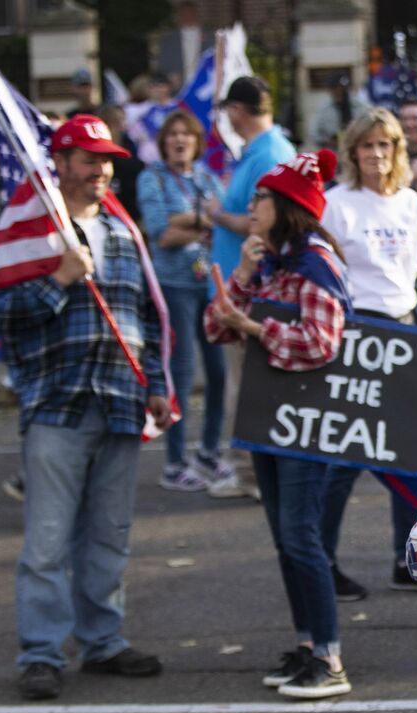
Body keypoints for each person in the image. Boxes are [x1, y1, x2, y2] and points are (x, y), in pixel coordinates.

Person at [0, 115, 171, 699]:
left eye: (106, 160)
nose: (101, 170)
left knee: (109, 534)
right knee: (47, 539)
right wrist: (59, 279)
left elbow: (143, 315)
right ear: (60, 163)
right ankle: (40, 652)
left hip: (120, 400)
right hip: (56, 403)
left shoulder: (121, 230)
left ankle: (103, 642)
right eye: (88, 160)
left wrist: (158, 383)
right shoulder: (35, 231)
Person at [206, 149, 356, 699]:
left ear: (289, 205)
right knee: (286, 540)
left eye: (261, 197)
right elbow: (216, 329)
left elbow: (321, 343)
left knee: (302, 537)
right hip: (270, 417)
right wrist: (243, 275)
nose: (251, 204)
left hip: (307, 422)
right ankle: (307, 643)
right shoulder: (270, 261)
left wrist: (252, 325)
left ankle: (330, 656)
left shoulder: (316, 262)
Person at [319, 108, 417, 595]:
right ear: (353, 152)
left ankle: (406, 559)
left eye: (385, 145)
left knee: (406, 450)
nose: (377, 154)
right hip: (357, 329)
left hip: (403, 326)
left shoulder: (408, 201)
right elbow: (326, 264)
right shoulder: (337, 202)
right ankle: (320, 560)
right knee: (346, 454)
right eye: (367, 146)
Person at [136, 109, 239, 495]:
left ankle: (209, 451)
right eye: (173, 135)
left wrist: (193, 220)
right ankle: (174, 461)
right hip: (173, 285)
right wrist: (206, 218)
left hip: (208, 284)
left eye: (187, 135)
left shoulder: (206, 178)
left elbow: (224, 218)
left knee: (217, 373)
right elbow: (161, 232)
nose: (180, 140)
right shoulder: (153, 178)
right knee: (179, 371)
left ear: (197, 142)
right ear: (164, 142)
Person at [206, 75, 296, 495]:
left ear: (237, 111)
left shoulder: (269, 153)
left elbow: (263, 221)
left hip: (253, 293)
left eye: (227, 110)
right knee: (242, 386)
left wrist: (216, 215)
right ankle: (250, 471)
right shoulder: (262, 150)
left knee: (246, 389)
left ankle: (251, 475)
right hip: (241, 288)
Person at [155, 0, 214, 88]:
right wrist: (169, 77)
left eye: (190, 13)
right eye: (183, 13)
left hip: (204, 88)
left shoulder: (210, 37)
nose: (187, 16)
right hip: (177, 89)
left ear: (196, 14)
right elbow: (162, 66)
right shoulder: (169, 39)